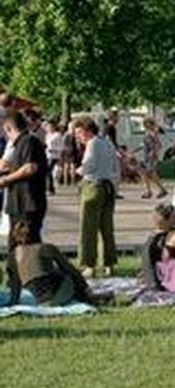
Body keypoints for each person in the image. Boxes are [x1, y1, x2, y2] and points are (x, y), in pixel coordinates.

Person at [5, 221, 105, 306]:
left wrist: (12, 303)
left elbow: (15, 285)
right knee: (68, 274)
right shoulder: (45, 248)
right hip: (53, 297)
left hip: (39, 299)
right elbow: (70, 270)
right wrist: (86, 288)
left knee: (57, 273)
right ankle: (90, 299)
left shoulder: (13, 256)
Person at [74, 116, 120, 278]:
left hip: (93, 186)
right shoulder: (107, 141)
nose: (77, 137)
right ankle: (109, 263)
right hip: (108, 187)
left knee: (88, 228)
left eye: (79, 133)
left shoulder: (92, 143)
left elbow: (89, 164)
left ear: (87, 131)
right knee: (107, 228)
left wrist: (77, 171)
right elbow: (116, 164)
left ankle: (89, 264)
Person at [0, 110, 49, 253]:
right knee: (16, 244)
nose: (6, 136)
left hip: (27, 204)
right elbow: (20, 167)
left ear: (9, 128)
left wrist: (6, 179)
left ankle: (31, 273)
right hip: (20, 204)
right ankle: (17, 273)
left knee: (28, 244)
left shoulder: (28, 141)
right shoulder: (20, 144)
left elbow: (30, 168)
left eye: (5, 132)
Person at [139, 117, 167, 199]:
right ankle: (149, 191)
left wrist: (153, 152)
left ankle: (156, 190)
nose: (145, 125)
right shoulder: (149, 132)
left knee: (150, 174)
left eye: (147, 124)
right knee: (145, 173)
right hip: (146, 155)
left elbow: (158, 144)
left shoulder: (153, 133)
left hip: (150, 157)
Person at [44, 120, 64, 195]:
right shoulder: (47, 135)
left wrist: (53, 149)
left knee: (48, 171)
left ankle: (50, 189)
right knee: (47, 172)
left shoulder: (58, 135)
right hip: (47, 155)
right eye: (48, 126)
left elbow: (62, 147)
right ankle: (49, 188)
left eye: (50, 126)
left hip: (54, 156)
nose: (49, 128)